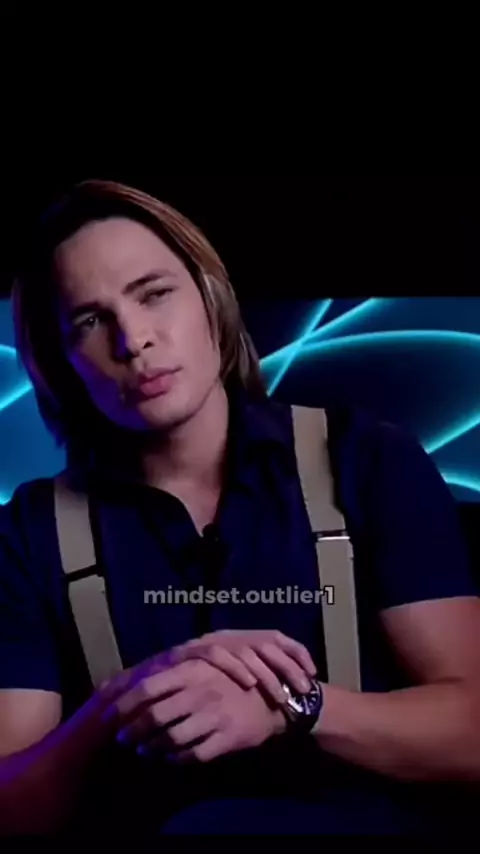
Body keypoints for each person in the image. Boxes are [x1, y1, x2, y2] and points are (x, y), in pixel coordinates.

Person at [0, 180, 479, 837]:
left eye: (154, 293)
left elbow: (472, 734)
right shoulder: (31, 532)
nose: (133, 339)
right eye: (89, 320)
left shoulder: (369, 461)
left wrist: (294, 706)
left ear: (210, 297)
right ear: (59, 362)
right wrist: (118, 708)